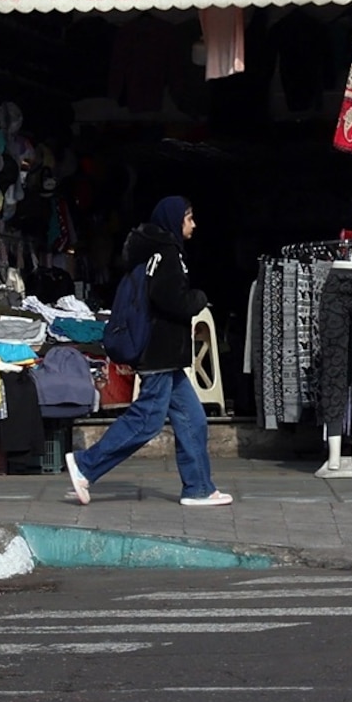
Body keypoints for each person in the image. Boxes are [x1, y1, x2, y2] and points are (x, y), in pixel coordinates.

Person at [65, 196, 233, 508]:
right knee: (147, 421)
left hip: (167, 357)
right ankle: (85, 465)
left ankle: (198, 488)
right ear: (174, 220)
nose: (193, 224)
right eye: (189, 217)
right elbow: (169, 298)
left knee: (193, 419)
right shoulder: (167, 253)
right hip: (159, 353)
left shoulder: (155, 252)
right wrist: (198, 298)